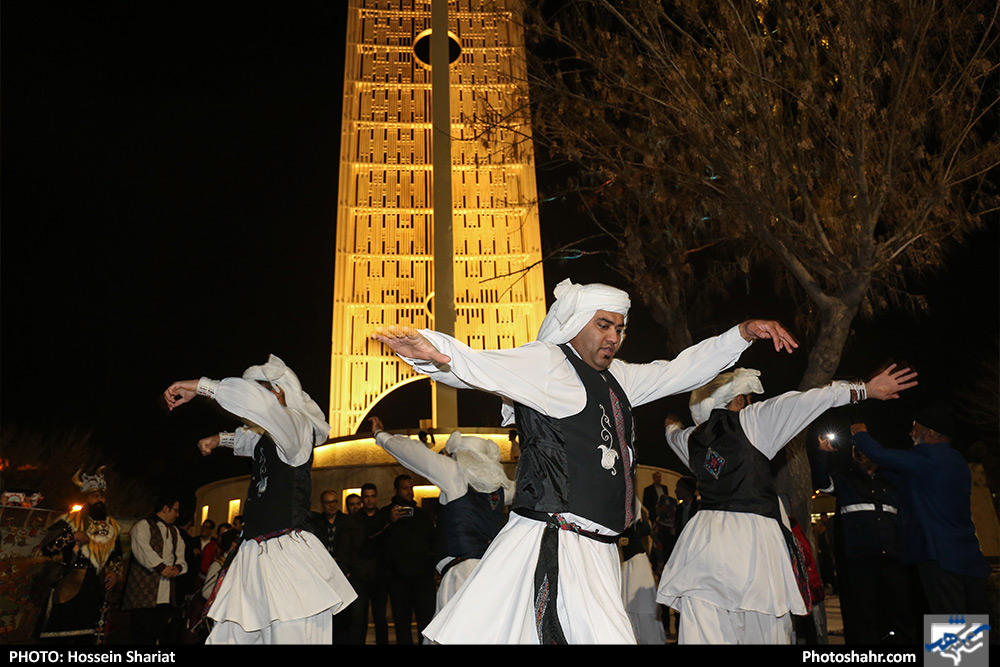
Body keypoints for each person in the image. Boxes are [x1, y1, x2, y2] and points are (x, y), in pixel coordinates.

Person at [372, 278, 798, 644]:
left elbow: (679, 370)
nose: (613, 336)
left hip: (598, 552)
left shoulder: (621, 379)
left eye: (619, 328)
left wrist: (740, 334)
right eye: (603, 325)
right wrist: (432, 350)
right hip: (553, 542)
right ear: (577, 324)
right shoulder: (548, 363)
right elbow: (477, 365)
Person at [657, 364, 917, 644]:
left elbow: (672, 434)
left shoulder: (691, 440)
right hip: (753, 546)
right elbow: (806, 401)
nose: (751, 402)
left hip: (702, 549)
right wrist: (862, 390)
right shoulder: (753, 422)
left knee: (705, 633)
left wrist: (670, 421)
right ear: (737, 399)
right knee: (763, 629)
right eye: (748, 397)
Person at [163, 354, 356, 644]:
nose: (250, 402)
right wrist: (220, 439)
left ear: (278, 391)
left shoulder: (297, 426)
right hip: (253, 553)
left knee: (289, 636)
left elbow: (260, 408)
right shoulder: (272, 435)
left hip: (287, 558)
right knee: (227, 637)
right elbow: (250, 437)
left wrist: (202, 387)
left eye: (258, 390)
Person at [851, 402, 990, 616]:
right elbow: (905, 477)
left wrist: (860, 435)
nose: (910, 433)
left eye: (914, 428)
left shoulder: (928, 456)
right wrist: (874, 468)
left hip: (939, 556)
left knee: (950, 623)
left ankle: (954, 651)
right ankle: (969, 651)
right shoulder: (955, 460)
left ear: (930, 433)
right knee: (971, 624)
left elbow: (882, 454)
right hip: (967, 553)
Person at [369, 416, 514, 618]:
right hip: (493, 573)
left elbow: (414, 454)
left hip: (462, 574)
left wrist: (381, 435)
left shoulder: (455, 473)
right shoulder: (503, 489)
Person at [809, 432, 914, 644]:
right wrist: (821, 454)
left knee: (899, 616)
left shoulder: (891, 484)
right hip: (860, 562)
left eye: (866, 450)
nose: (861, 454)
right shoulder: (845, 480)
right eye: (857, 450)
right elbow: (821, 481)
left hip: (892, 560)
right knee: (865, 619)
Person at [35, 467, 123, 643]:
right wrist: (72, 536)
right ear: (85, 498)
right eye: (94, 496)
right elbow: (47, 548)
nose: (100, 500)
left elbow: (116, 554)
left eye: (101, 496)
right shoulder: (69, 521)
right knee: (61, 636)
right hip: (69, 581)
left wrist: (113, 572)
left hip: (94, 585)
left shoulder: (110, 525)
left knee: (88, 635)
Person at [121, 494, 187, 645]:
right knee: (141, 636)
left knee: (160, 632)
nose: (177, 514)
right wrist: (162, 568)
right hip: (143, 595)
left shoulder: (175, 532)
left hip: (166, 595)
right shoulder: (143, 526)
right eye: (175, 510)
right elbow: (143, 550)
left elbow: (181, 556)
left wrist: (177, 568)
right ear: (165, 508)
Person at [379, 473, 437, 644]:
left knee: (426, 622)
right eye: (405, 488)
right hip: (398, 580)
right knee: (402, 624)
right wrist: (390, 521)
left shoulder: (422, 515)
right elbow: (375, 539)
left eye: (411, 488)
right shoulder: (386, 514)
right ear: (396, 490)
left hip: (423, 578)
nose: (409, 492)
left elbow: (432, 541)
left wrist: (433, 568)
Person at [335, 482, 392, 644]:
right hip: (358, 576)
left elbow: (390, 546)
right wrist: (346, 570)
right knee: (357, 618)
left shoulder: (383, 518)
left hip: (380, 575)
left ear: (377, 497)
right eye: (366, 497)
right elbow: (343, 547)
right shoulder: (352, 520)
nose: (369, 500)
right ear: (362, 499)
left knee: (380, 617)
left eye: (372, 496)